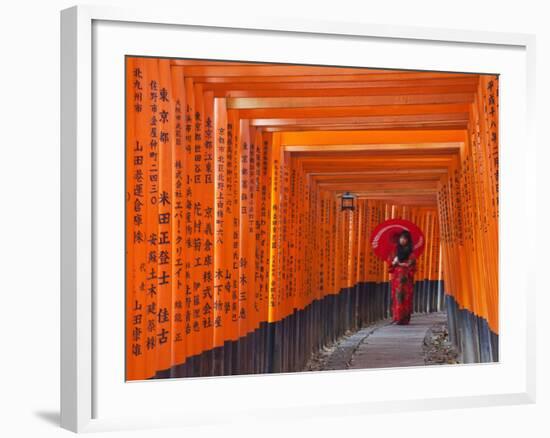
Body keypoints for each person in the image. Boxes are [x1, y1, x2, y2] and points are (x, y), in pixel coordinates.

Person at [386, 230, 417, 325]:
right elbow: (390, 264)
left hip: (406, 278)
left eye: (405, 238)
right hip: (396, 278)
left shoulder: (410, 252)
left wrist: (404, 264)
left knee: (405, 297)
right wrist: (393, 262)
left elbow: (412, 264)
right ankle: (397, 317)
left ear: (408, 240)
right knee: (397, 297)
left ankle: (405, 318)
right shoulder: (395, 251)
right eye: (401, 238)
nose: (403, 240)